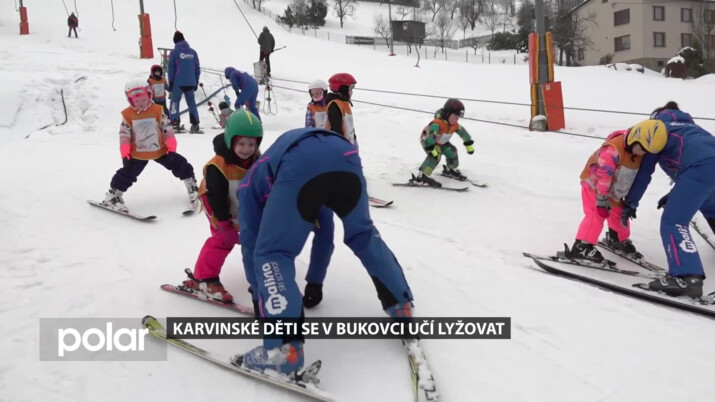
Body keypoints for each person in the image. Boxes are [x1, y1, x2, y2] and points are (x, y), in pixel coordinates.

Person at [233, 127, 415, 375]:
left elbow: (252, 243)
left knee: (272, 253)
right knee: (362, 233)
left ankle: (283, 351)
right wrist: (315, 281)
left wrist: (259, 293)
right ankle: (401, 305)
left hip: (301, 159)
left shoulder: (247, 187)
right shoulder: (287, 176)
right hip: (344, 153)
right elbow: (324, 230)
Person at [623, 104, 715, 297]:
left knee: (674, 221)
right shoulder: (690, 127)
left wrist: (631, 201)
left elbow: (645, 173)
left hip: (700, 170)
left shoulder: (657, 131)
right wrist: (676, 193)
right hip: (705, 168)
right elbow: (692, 158)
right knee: (710, 207)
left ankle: (686, 277)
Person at [180, 110, 262, 304]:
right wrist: (224, 225)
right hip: (216, 202)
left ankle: (266, 277)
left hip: (239, 203)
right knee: (222, 240)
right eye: (241, 143)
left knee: (258, 239)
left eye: (251, 144)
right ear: (230, 140)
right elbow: (217, 197)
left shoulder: (258, 161)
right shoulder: (218, 166)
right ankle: (204, 278)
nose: (246, 149)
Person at [101, 79, 199, 213]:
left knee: (180, 165)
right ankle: (113, 197)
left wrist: (171, 147)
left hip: (160, 149)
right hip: (138, 153)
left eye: (143, 100)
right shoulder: (128, 115)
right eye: (137, 101)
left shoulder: (157, 110)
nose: (140, 104)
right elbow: (124, 134)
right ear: (130, 101)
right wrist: (125, 153)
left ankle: (193, 187)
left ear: (149, 96)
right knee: (127, 174)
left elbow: (167, 128)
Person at [567, 127, 652, 263]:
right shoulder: (612, 150)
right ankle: (582, 246)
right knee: (596, 214)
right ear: (633, 141)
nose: (643, 153)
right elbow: (604, 175)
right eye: (642, 149)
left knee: (619, 214)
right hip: (595, 187)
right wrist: (601, 199)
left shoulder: (640, 153)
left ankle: (617, 239)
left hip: (615, 190)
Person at [409, 98, 474, 188]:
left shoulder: (454, 124)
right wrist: (431, 149)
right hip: (429, 143)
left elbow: (463, 132)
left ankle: (449, 169)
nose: (457, 119)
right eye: (455, 116)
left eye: (458, 117)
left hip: (441, 142)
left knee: (452, 151)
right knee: (435, 156)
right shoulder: (437, 124)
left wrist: (468, 144)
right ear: (447, 113)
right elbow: (430, 137)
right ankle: (422, 176)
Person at [168, 31, 202, 133]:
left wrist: (171, 81)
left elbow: (171, 68)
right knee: (191, 103)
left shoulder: (174, 52)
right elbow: (197, 68)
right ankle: (195, 123)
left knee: (174, 102)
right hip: (191, 82)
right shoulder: (193, 52)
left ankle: (174, 123)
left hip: (178, 82)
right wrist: (196, 81)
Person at [324, 73, 357, 145]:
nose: (352, 92)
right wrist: (341, 146)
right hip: (339, 146)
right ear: (343, 89)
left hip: (348, 144)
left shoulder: (345, 103)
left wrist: (354, 138)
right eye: (350, 89)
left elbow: (348, 125)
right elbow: (336, 128)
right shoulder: (335, 105)